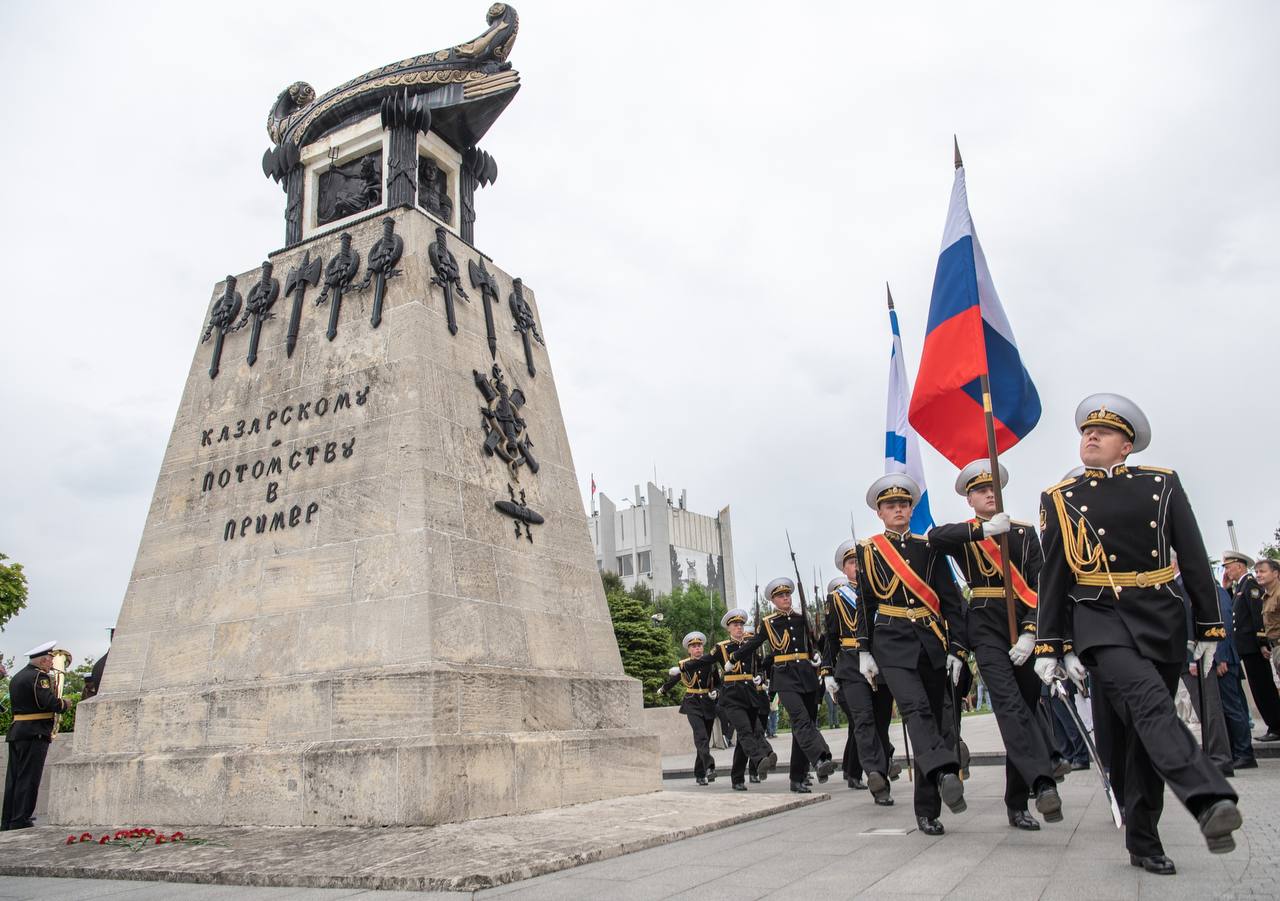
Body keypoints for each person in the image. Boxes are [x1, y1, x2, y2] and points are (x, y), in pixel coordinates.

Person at [1034, 393, 1240, 875]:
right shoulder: (1061, 498)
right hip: (1100, 616)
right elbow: (1055, 576)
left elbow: (1192, 554)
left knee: (1143, 731)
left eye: (1103, 432)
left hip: (1160, 615)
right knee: (1152, 705)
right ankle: (1208, 798)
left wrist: (1209, 625)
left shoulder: (1162, 484)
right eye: (1086, 431)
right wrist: (1053, 643)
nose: (1091, 436)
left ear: (1126, 446)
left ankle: (1143, 839)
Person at [930, 459, 1065, 831]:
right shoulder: (970, 533)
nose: (989, 494)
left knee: (1026, 706)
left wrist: (1029, 630)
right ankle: (1042, 782)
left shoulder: (1022, 532)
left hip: (1022, 623)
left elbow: (1038, 585)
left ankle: (1016, 803)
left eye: (993, 489)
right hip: (985, 623)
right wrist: (984, 532)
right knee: (1007, 704)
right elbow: (935, 537)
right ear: (969, 500)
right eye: (980, 491)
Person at [856, 473, 969, 835]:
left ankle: (927, 810)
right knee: (915, 710)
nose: (899, 510)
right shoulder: (869, 550)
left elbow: (951, 600)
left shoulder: (928, 547)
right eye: (891, 505)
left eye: (904, 504)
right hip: (891, 641)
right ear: (880, 512)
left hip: (931, 639)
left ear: (911, 508)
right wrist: (863, 650)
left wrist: (956, 648)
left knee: (934, 720)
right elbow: (866, 602)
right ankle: (947, 771)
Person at [732, 578, 837, 793]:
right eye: (781, 596)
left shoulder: (802, 617)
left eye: (788, 594)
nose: (786, 598)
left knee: (805, 725)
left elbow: (816, 642)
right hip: (785, 676)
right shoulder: (769, 622)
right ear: (773, 600)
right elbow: (754, 643)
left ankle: (797, 777)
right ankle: (820, 758)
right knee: (800, 719)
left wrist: (818, 656)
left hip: (807, 675)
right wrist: (734, 657)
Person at [683, 609, 778, 790]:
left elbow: (758, 666)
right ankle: (760, 761)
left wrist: (759, 677)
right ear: (729, 628)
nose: (739, 628)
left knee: (750, 735)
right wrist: (683, 668)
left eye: (741, 625)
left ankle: (738, 778)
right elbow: (704, 661)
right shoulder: (722, 647)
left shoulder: (750, 645)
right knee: (744, 731)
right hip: (732, 695)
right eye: (735, 625)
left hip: (750, 693)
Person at [822, 568, 893, 805]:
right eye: (852, 561)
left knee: (881, 724)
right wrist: (827, 671)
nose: (857, 566)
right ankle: (874, 774)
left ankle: (882, 773)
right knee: (863, 720)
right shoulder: (837, 597)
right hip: (851, 663)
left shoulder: (881, 588)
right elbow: (831, 637)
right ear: (844, 568)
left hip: (881, 659)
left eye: (860, 561)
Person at [1174, 557, 1234, 775]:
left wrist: (1191, 658)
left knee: (1209, 709)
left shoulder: (1185, 584)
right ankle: (1215, 756)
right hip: (1187, 656)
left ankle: (1220, 759)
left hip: (1197, 656)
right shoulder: (1179, 584)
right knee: (1204, 709)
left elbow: (1192, 621)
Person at [2, 641, 70, 831]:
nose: (51, 665)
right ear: (43, 660)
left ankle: (9, 819)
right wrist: (64, 704)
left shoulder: (17, 677)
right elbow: (47, 703)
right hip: (35, 732)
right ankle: (21, 818)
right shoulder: (40, 677)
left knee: (14, 777)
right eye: (50, 660)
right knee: (29, 777)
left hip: (18, 731)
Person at [1225, 550, 1280, 741]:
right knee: (1259, 689)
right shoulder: (1240, 586)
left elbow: (1257, 616)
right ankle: (1274, 725)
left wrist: (1262, 642)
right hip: (1247, 647)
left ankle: (1276, 726)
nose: (1227, 571)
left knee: (1264, 688)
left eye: (1228, 567)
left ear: (1239, 566)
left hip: (1254, 646)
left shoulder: (1250, 585)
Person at [657, 632, 720, 786]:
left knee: (703, 740)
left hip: (707, 703)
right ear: (689, 650)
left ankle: (699, 773)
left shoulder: (710, 663)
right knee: (701, 737)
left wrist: (716, 692)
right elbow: (675, 678)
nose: (697, 648)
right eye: (694, 646)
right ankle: (710, 767)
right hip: (691, 703)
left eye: (699, 646)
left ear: (702, 648)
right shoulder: (685, 664)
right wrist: (663, 689)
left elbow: (718, 683)